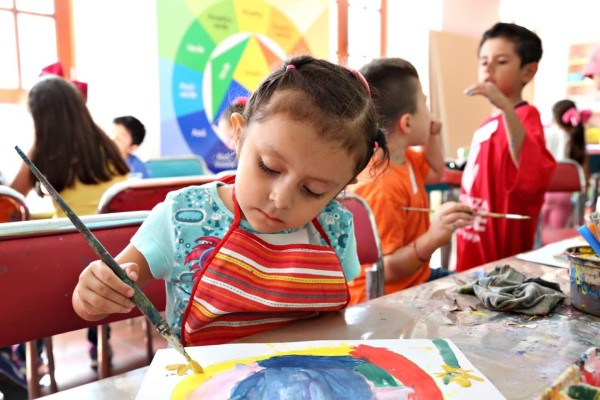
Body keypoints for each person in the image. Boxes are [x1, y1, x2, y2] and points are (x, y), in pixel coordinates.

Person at [71, 55, 390, 346]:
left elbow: (335, 323)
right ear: (238, 136)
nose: (280, 199)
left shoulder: (335, 226)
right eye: (269, 167)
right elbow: (109, 285)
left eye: (314, 190)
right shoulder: (182, 216)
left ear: (342, 187)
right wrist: (94, 292)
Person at [346, 58, 474, 305]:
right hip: (382, 298)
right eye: (425, 104)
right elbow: (387, 269)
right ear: (407, 122)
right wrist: (433, 237)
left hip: (415, 278)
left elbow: (436, 172)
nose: (430, 113)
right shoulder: (381, 185)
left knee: (481, 288)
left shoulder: (405, 160)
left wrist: (432, 135)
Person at [457, 22, 556, 272]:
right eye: (483, 61)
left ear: (528, 71)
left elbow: (530, 167)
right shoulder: (487, 122)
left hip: (500, 253)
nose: (488, 68)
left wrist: (505, 108)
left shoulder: (526, 116)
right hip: (472, 237)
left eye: (501, 62)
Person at [10, 75, 130, 217]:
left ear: (41, 121)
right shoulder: (108, 145)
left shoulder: (42, 152)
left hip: (72, 235)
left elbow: (9, 200)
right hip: (117, 231)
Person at [542, 100, 590, 229]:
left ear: (554, 118)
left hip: (542, 194)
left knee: (539, 237)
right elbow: (585, 181)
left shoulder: (546, 134)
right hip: (564, 198)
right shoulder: (577, 141)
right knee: (558, 236)